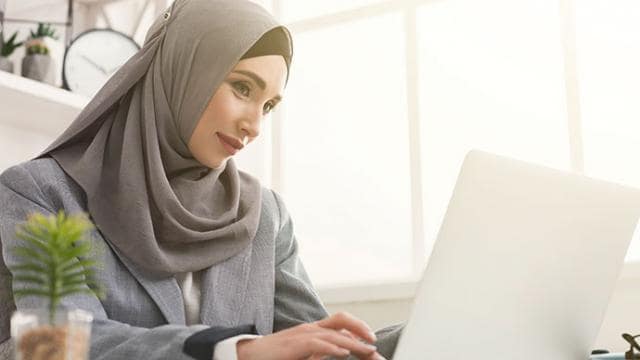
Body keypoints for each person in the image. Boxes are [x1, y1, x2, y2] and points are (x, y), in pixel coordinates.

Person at [0, 0, 402, 359]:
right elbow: (57, 344)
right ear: (183, 69)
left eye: (269, 105)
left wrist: (434, 330)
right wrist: (236, 351)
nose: (255, 125)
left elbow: (318, 344)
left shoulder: (265, 216)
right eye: (243, 87)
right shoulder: (40, 193)